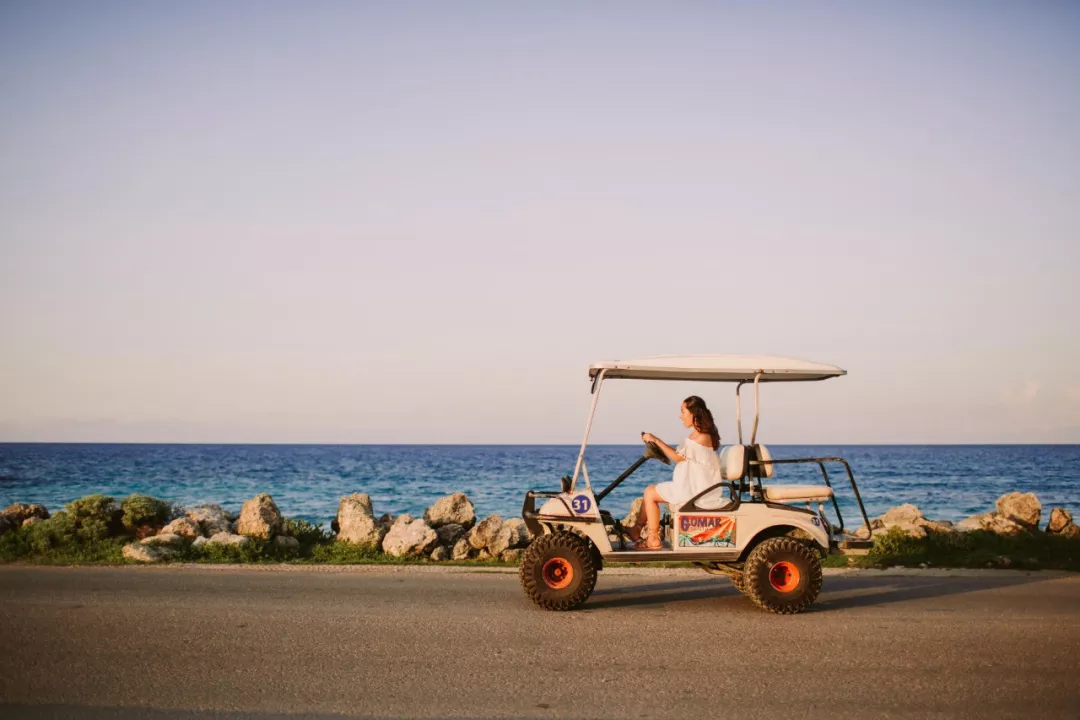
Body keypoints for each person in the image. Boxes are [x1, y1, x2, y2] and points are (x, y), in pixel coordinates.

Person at [625, 395, 724, 549]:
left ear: (694, 413)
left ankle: (652, 539)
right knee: (650, 490)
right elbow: (680, 456)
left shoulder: (702, 437)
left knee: (650, 493)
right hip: (690, 486)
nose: (680, 416)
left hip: (695, 492)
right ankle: (637, 530)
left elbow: (678, 457)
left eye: (683, 411)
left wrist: (656, 440)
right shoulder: (697, 436)